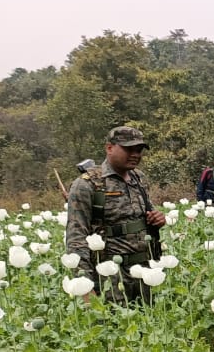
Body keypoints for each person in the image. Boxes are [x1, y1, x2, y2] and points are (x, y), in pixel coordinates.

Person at [66, 126, 167, 304]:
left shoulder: (139, 178)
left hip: (144, 272)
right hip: (109, 276)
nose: (135, 154)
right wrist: (85, 286)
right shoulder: (87, 185)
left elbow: (144, 216)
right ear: (109, 148)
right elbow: (76, 238)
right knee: (115, 327)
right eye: (128, 149)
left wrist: (157, 220)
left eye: (139, 150)